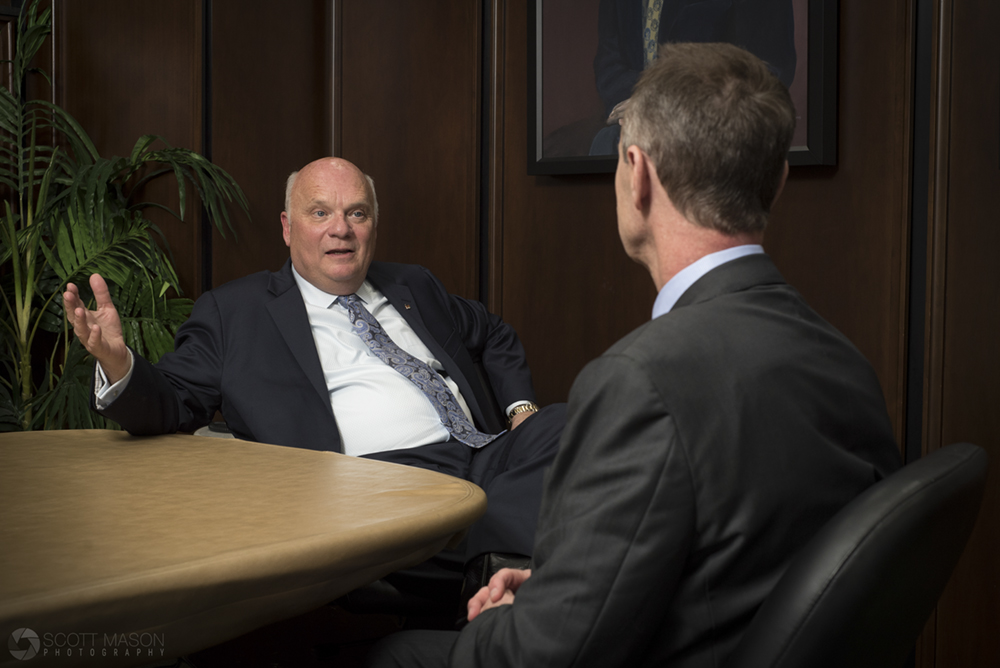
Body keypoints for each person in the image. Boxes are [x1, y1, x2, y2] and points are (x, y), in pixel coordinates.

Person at [366, 42, 902, 667]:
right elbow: (738, 558)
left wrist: (495, 627)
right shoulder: (843, 359)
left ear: (637, 173)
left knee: (399, 654)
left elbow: (549, 656)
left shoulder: (638, 381)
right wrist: (555, 592)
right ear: (777, 182)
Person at [63, 157, 566, 599]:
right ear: (287, 227)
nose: (340, 229)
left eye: (357, 213)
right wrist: (119, 364)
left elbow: (493, 333)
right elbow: (172, 403)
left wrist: (521, 413)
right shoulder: (235, 312)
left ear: (373, 224)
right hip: (383, 485)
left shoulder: (412, 282)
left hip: (488, 453)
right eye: (320, 212)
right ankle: (513, 573)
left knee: (572, 422)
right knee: (554, 518)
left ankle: (496, 577)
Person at [590, 0, 796, 154]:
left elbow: (767, 68)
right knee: (604, 146)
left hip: (715, 130)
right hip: (632, 125)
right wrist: (641, 106)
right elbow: (609, 59)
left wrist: (661, 104)